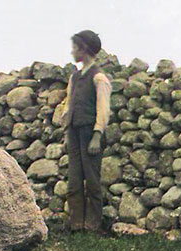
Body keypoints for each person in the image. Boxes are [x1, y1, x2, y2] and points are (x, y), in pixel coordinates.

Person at [54, 29, 112, 235]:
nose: (72, 52)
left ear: (84, 49)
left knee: (93, 181)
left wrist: (97, 135)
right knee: (74, 179)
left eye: (75, 48)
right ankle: (76, 223)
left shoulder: (99, 78)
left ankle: (93, 225)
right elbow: (69, 105)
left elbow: (103, 109)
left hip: (90, 132)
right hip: (75, 131)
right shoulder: (75, 77)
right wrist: (66, 131)